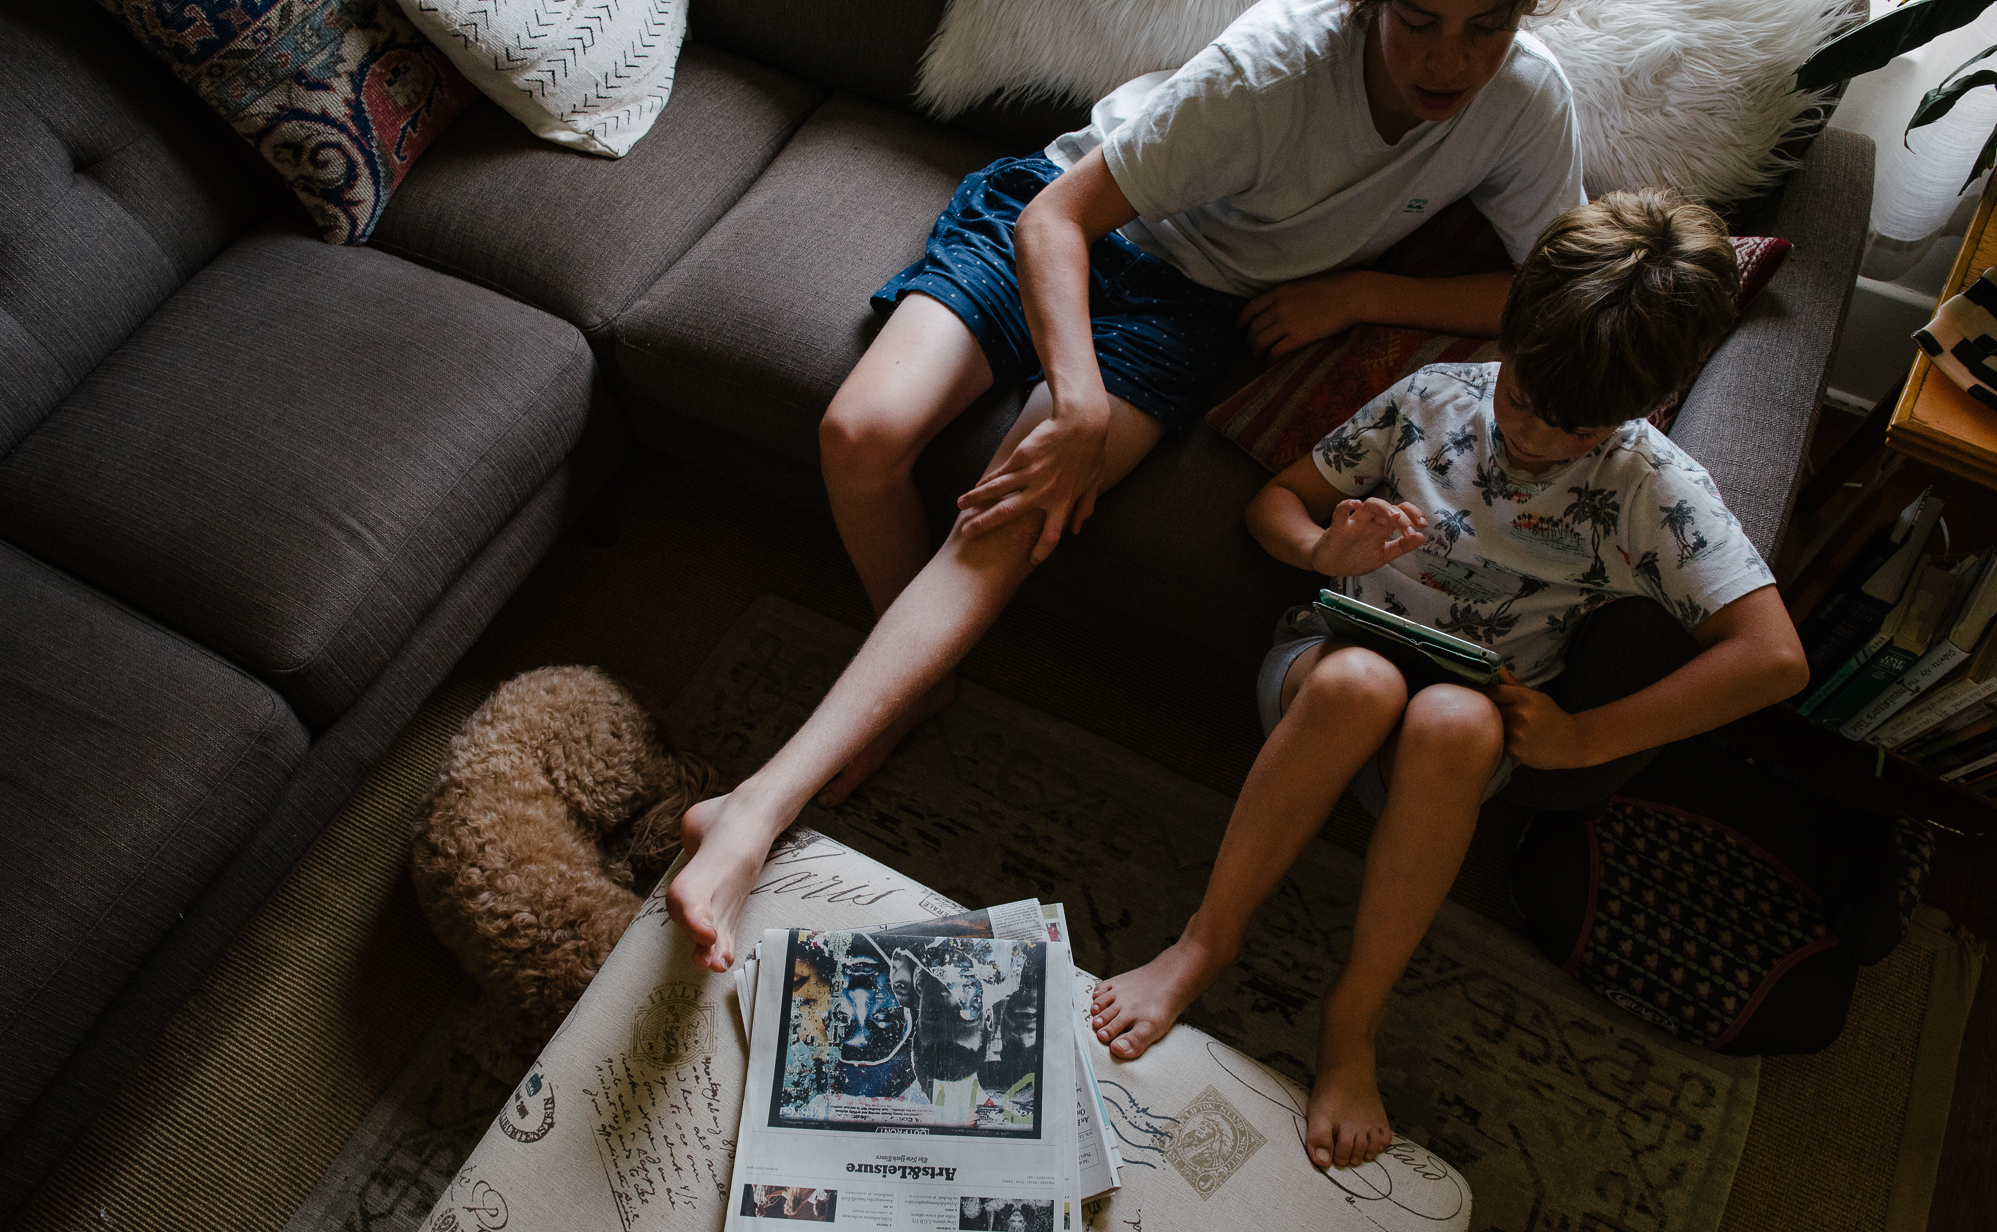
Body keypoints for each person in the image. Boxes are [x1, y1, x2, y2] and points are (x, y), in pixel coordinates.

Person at [668, 0, 1587, 974]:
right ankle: (910, 687)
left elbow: (1549, 287)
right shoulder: (1272, 67)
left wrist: (1362, 294)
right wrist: (1076, 405)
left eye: (1484, 24)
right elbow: (1055, 219)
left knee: (1009, 519)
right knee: (858, 434)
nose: (1450, 56)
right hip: (1055, 214)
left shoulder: (1524, 100)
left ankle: (754, 812)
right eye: (1420, 19)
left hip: (1188, 303)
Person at [1087, 190, 1811, 1171]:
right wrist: (1319, 543)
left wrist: (1586, 738)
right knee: (1357, 687)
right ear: (1507, 337)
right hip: (1320, 680)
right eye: (1520, 398)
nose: (1533, 436)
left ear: (1638, 403)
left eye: (1571, 427)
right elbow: (1277, 501)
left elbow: (1771, 658)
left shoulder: (1650, 489)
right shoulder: (1436, 394)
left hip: (1457, 745)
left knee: (1451, 722)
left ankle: (1351, 1022)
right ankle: (1202, 944)